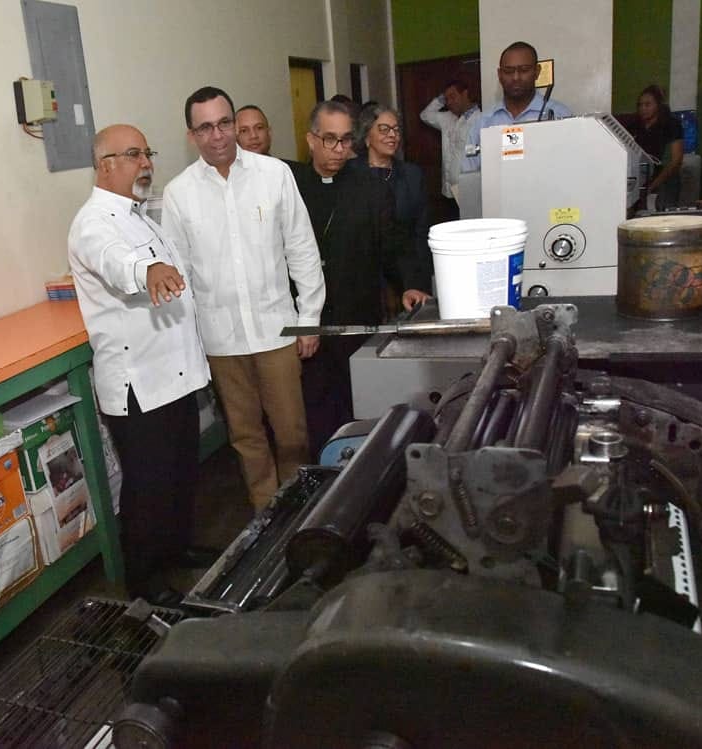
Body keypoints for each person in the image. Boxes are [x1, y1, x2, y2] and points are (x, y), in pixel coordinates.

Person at [68, 124, 212, 605]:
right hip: (139, 385)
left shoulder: (143, 217)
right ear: (105, 164)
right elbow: (115, 262)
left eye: (147, 153)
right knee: (147, 488)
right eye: (134, 155)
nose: (146, 163)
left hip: (175, 375)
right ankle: (144, 583)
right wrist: (145, 270)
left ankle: (177, 550)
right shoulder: (93, 223)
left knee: (180, 473)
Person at [163, 86, 325, 512]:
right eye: (205, 127)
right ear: (191, 135)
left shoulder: (274, 175)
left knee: (292, 434)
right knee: (246, 438)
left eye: (224, 123)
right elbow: (180, 273)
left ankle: (300, 513)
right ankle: (267, 518)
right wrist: (193, 342)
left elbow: (303, 250)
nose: (218, 135)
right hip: (222, 340)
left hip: (277, 332)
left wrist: (308, 319)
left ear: (234, 123)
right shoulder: (179, 194)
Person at [293, 100, 430, 455]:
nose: (340, 150)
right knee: (318, 410)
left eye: (346, 140)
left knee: (362, 401)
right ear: (310, 140)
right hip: (311, 321)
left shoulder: (369, 187)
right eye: (330, 140)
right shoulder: (292, 186)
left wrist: (409, 283)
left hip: (358, 315)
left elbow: (393, 245)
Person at [356, 105, 435, 309]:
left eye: (396, 129)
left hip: (407, 280)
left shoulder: (412, 175)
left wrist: (419, 284)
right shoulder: (350, 176)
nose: (392, 135)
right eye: (384, 129)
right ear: (366, 136)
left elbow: (421, 234)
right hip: (364, 283)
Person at [463, 41, 573, 172]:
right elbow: (468, 173)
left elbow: (572, 168)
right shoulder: (483, 122)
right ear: (499, 75)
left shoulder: (560, 115)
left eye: (524, 70)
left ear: (537, 72)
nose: (516, 77)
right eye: (508, 71)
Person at [420, 79, 481, 217]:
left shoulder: (481, 120)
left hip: (468, 190)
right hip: (448, 191)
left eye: (453, 96)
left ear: (465, 94)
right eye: (446, 99)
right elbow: (425, 115)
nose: (449, 102)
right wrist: (440, 99)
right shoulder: (447, 118)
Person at [625, 84, 684, 208]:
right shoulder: (635, 123)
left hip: (664, 179)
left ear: (658, 106)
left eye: (647, 105)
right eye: (640, 105)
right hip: (641, 177)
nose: (643, 108)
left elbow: (676, 161)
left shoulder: (671, 124)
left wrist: (653, 186)